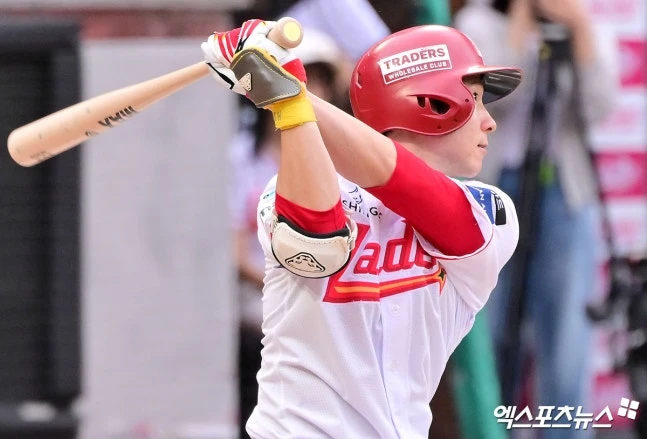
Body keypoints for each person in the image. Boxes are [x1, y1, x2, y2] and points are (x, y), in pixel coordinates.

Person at [202, 18, 522, 437]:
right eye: (474, 98)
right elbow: (314, 241)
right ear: (431, 102)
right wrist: (287, 98)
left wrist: (288, 92)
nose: (489, 121)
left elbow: (409, 185)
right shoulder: (295, 183)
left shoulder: (490, 211)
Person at [454, 0, 618, 436]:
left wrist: (579, 30)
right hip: (491, 193)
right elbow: (487, 106)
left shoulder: (583, 23)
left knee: (566, 340)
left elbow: (598, 107)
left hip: (565, 192)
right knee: (488, 332)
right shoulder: (477, 23)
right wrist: (522, 23)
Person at [227, 28, 348, 439]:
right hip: (257, 325)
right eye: (296, 81)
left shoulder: (346, 162)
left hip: (328, 327)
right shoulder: (239, 160)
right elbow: (234, 253)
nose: (308, 93)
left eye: (318, 81)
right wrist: (293, 287)